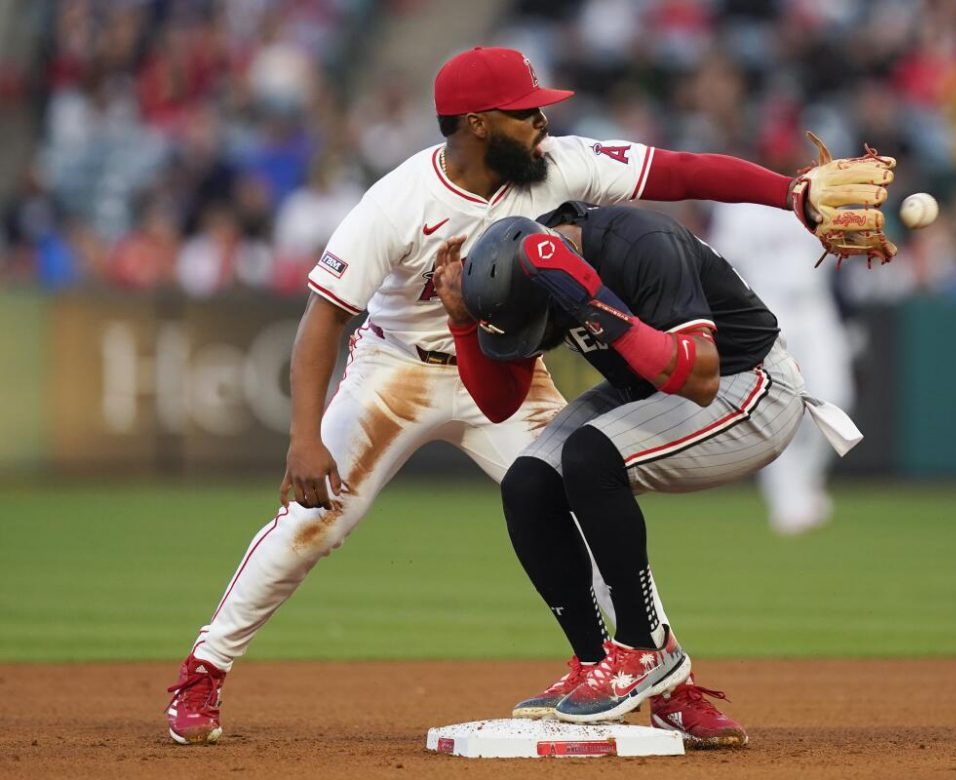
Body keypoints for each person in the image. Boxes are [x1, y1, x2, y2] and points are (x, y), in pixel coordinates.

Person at [164, 46, 849, 747]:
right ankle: (203, 670)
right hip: (397, 369)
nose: (543, 123)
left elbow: (678, 171)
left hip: (505, 362)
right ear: (480, 124)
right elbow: (323, 318)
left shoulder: (558, 164)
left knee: (584, 501)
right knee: (315, 522)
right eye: (527, 113)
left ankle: (667, 684)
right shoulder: (399, 200)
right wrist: (303, 436)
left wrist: (789, 193)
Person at [431, 203, 863, 741]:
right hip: (651, 383)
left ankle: (642, 650)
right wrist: (462, 322)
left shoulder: (642, 243)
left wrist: (591, 299)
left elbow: (701, 376)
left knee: (590, 455)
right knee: (528, 483)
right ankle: (595, 663)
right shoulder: (531, 270)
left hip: (750, 387)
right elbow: (499, 405)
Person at [708, 202, 855, 534]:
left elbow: (840, 257)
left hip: (816, 306)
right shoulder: (739, 208)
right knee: (776, 408)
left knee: (835, 397)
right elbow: (723, 264)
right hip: (768, 307)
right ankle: (787, 502)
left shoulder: (820, 197)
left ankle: (807, 483)